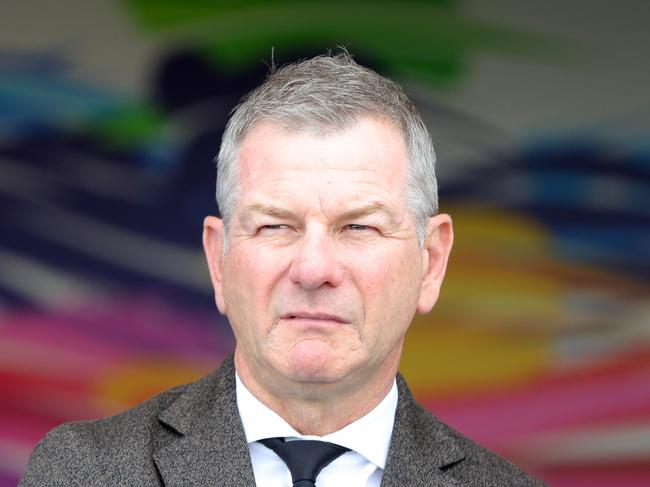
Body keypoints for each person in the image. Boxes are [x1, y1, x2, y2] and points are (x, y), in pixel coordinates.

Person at [20, 52, 544, 486]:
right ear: (218, 260)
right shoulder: (85, 473)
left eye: (359, 227)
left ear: (431, 261)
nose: (313, 269)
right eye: (275, 226)